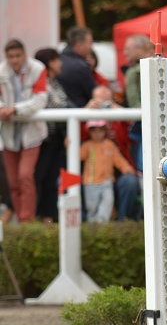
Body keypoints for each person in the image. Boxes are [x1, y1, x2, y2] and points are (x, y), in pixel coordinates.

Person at [0, 39, 49, 222]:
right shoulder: (1, 71)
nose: (14, 60)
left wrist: (15, 109)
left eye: (17, 56)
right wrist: (2, 108)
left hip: (31, 133)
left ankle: (26, 220)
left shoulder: (37, 69)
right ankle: (21, 220)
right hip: (9, 134)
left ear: (24, 54)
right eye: (11, 56)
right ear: (6, 57)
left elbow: (41, 99)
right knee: (13, 182)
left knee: (25, 176)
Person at [84, 84, 142, 220]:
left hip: (116, 171)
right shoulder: (87, 120)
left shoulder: (118, 120)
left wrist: (120, 113)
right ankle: (90, 222)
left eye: (107, 103)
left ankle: (121, 221)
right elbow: (78, 140)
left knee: (130, 181)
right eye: (100, 102)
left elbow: (133, 135)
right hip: (94, 173)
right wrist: (86, 111)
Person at [33, 47, 73, 222]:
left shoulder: (55, 82)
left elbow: (64, 104)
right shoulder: (43, 82)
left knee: (51, 179)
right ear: (50, 62)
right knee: (37, 178)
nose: (61, 63)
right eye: (57, 59)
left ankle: (47, 217)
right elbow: (53, 105)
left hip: (56, 139)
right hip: (43, 139)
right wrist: (82, 109)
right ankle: (29, 216)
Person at [80, 120, 134, 223]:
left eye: (100, 130)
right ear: (89, 132)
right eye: (94, 131)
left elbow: (119, 160)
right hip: (91, 183)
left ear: (105, 131)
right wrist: (68, 146)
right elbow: (78, 155)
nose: (97, 134)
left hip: (106, 182)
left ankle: (102, 225)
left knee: (107, 203)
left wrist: (126, 168)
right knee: (91, 208)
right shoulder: (87, 145)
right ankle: (92, 228)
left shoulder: (109, 145)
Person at [122, 34, 155, 170]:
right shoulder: (160, 66)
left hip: (142, 126)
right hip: (161, 124)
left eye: (128, 49)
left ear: (139, 48)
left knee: (144, 166)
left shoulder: (133, 72)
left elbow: (134, 103)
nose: (125, 53)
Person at [55, 26, 96, 108]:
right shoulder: (81, 66)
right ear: (79, 45)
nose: (91, 47)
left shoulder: (58, 60)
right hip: (77, 115)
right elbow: (93, 92)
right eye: (90, 43)